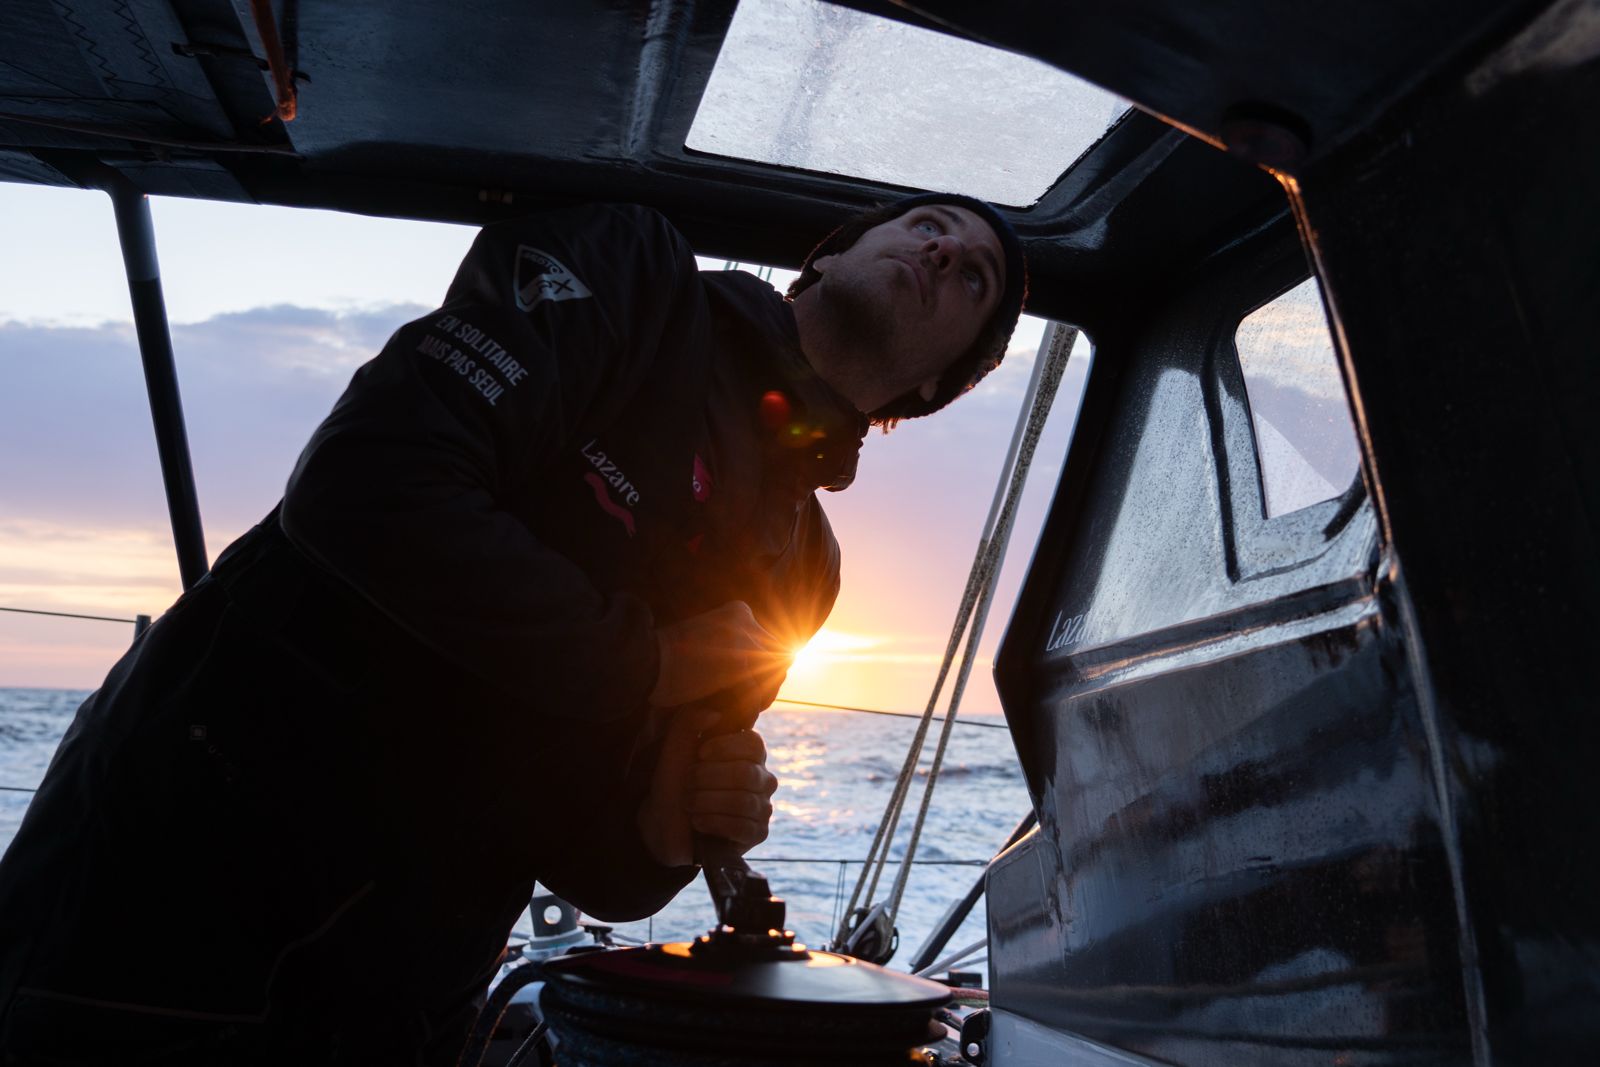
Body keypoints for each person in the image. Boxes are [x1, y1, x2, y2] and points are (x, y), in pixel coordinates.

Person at [0, 192, 1026, 1064]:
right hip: (166, 884)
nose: (942, 249)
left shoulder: (805, 564)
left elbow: (605, 865)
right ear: (831, 252)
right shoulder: (631, 275)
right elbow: (371, 487)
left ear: (938, 387)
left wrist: (670, 827)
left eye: (973, 277)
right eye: (928, 225)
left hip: (405, 983)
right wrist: (652, 657)